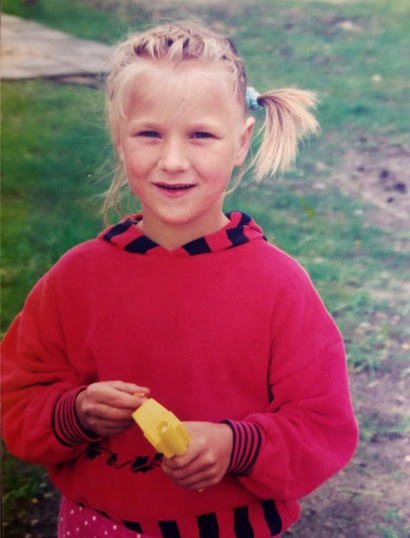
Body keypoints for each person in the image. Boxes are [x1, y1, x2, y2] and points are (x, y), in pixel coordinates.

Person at [1, 20, 358, 538]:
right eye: (149, 134)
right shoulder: (75, 279)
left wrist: (234, 446)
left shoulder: (279, 286)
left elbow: (323, 428)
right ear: (120, 140)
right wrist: (75, 412)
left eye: (201, 136)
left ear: (241, 142)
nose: (172, 161)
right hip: (96, 525)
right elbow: (17, 399)